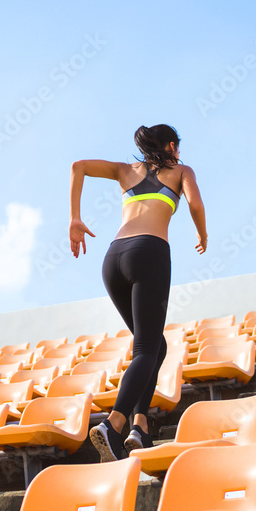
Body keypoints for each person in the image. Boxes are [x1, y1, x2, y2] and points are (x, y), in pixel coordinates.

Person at [69, 124, 207, 461]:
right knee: (146, 348)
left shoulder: (123, 171)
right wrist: (203, 234)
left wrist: (75, 219)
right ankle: (114, 424)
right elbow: (196, 205)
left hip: (113, 259)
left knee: (154, 345)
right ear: (172, 146)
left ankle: (139, 426)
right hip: (149, 252)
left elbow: (79, 167)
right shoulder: (181, 170)